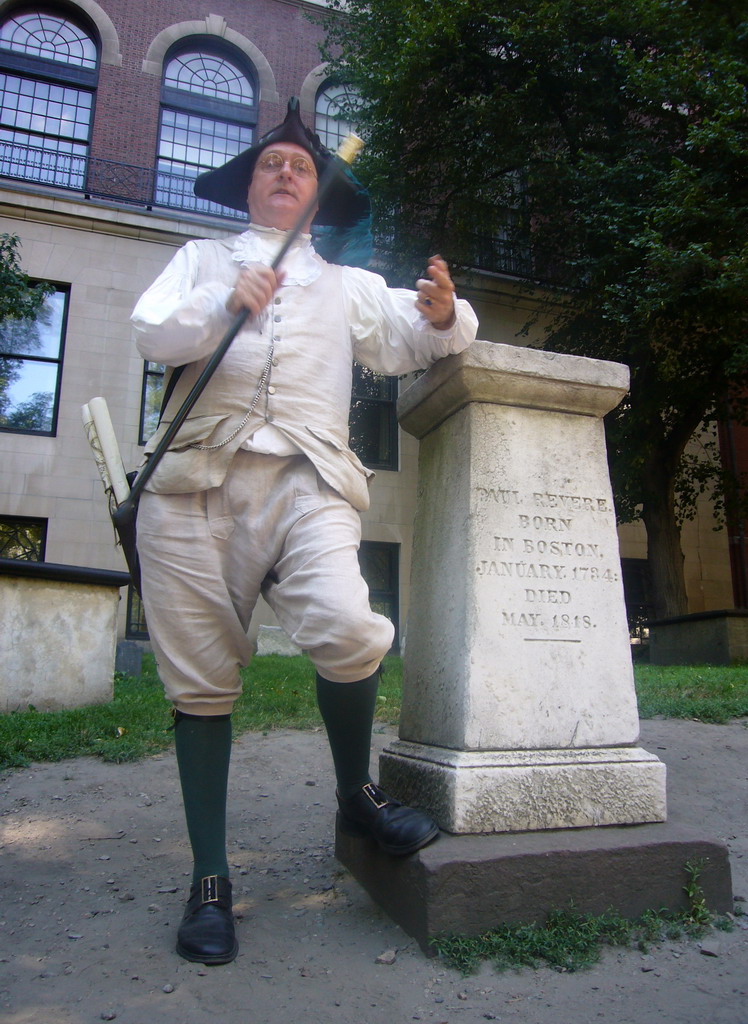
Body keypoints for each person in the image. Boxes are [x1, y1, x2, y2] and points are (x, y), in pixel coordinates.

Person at [130, 99, 478, 966]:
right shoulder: (202, 257)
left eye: (301, 166)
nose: (285, 172)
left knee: (349, 627)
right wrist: (223, 302)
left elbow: (414, 337)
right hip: (194, 487)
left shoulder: (347, 285)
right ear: (249, 186)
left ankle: (356, 795)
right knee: (202, 679)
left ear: (318, 198)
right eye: (270, 163)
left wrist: (444, 315)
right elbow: (148, 331)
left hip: (309, 481)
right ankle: (210, 879)